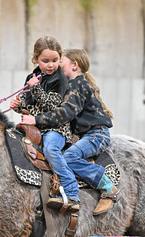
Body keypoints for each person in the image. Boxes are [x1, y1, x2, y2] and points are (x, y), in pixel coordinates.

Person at [21, 48, 118, 215]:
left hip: (96, 135)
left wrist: (35, 120)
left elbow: (65, 113)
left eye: (61, 63)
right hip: (90, 134)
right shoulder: (76, 84)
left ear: (74, 65)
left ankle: (106, 186)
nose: (58, 66)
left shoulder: (77, 85)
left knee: (69, 157)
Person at [10, 36, 80, 212]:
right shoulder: (32, 76)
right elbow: (29, 106)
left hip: (56, 128)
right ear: (36, 60)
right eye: (45, 61)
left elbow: (53, 105)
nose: (51, 65)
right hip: (34, 127)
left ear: (60, 58)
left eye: (55, 60)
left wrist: (35, 88)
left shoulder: (61, 79)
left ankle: (72, 191)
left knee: (50, 149)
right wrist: (19, 106)